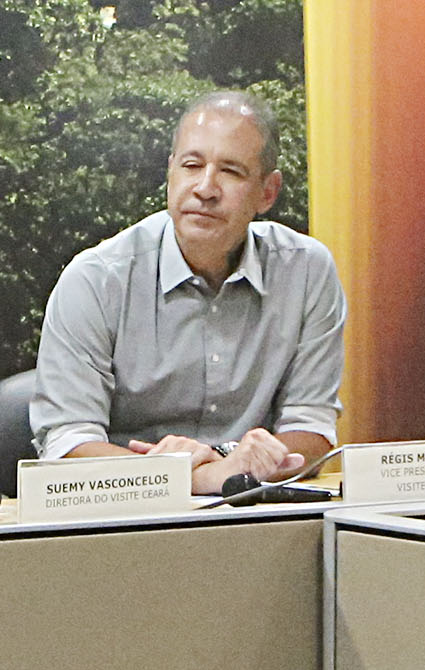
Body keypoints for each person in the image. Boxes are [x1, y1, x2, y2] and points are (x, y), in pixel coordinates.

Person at [29, 91, 346, 492]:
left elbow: (312, 432)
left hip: (253, 510)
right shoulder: (96, 279)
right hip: (126, 511)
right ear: (171, 173)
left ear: (267, 192)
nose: (206, 188)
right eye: (192, 166)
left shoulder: (306, 271)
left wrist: (227, 463)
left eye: (231, 171)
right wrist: (194, 478)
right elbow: (66, 445)